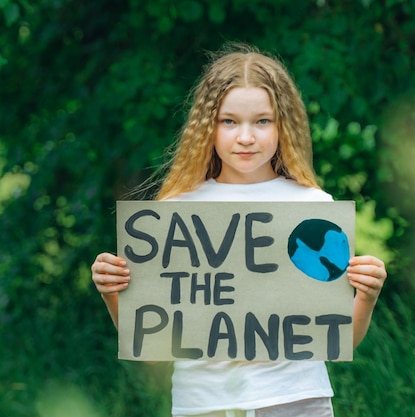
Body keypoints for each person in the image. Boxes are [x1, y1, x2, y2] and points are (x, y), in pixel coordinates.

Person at [91, 43, 388, 417]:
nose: (245, 136)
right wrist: (112, 293)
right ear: (207, 126)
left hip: (295, 402)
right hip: (203, 405)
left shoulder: (312, 208)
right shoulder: (175, 213)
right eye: (229, 121)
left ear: (284, 125)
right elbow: (155, 350)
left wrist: (367, 294)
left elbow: (342, 339)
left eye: (262, 121)